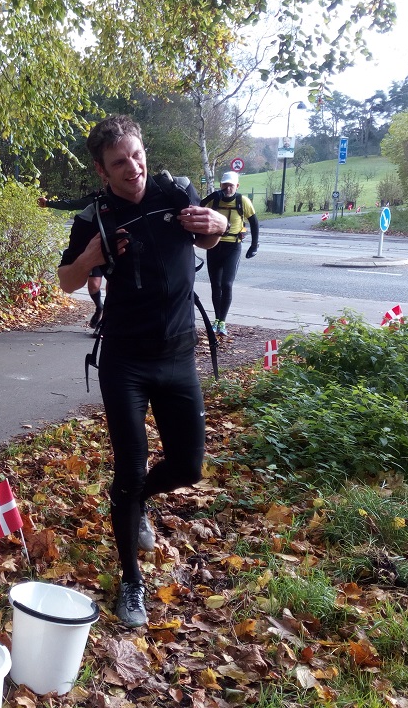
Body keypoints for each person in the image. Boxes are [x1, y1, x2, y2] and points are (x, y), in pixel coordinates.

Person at [56, 115, 228, 628]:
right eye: (118, 163)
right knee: (129, 469)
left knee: (188, 467)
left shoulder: (176, 192)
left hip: (177, 354)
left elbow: (207, 239)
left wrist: (218, 230)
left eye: (136, 155)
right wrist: (89, 257)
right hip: (125, 361)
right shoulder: (95, 216)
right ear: (101, 170)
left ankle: (136, 502)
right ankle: (131, 579)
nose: (132, 168)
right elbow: (66, 280)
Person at [202, 171, 259, 336]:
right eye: (225, 184)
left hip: (233, 247)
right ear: (221, 185)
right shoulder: (215, 199)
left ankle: (222, 322)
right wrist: (212, 195)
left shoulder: (243, 201)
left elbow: (254, 223)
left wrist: (254, 246)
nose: (227, 188)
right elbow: (197, 206)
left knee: (226, 284)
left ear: (237, 186)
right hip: (213, 245)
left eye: (231, 185)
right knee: (215, 285)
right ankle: (217, 320)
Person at [37, 193, 106, 329]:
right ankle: (99, 308)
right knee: (94, 286)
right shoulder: (96, 199)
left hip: (120, 246)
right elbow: (72, 204)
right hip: (96, 247)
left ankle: (106, 321)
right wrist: (49, 203)